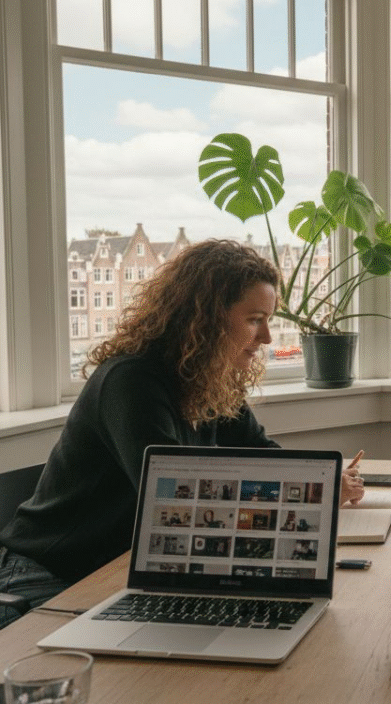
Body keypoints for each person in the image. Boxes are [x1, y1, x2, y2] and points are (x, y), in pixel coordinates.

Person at [0, 239, 364, 628]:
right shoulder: (131, 382)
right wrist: (313, 495)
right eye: (255, 319)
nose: (268, 338)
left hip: (122, 571)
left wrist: (321, 485)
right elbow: (175, 501)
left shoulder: (210, 381)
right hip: (47, 576)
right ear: (205, 318)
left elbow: (266, 457)